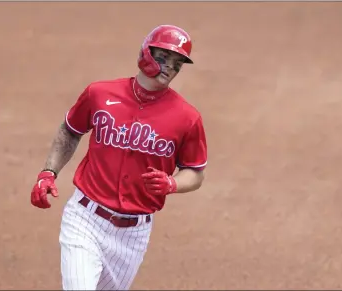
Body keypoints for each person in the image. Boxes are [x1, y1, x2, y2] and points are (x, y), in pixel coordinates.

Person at [30, 24, 208, 290]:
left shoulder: (187, 117)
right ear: (146, 53)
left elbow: (194, 173)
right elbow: (71, 131)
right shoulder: (100, 94)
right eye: (164, 58)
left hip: (133, 235)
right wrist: (48, 172)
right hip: (85, 219)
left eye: (177, 63)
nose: (170, 67)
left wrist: (173, 184)